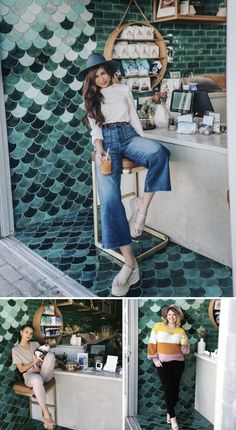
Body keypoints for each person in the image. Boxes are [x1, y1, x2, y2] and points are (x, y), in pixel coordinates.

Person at [78, 53, 171, 296]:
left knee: (159, 153)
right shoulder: (89, 96)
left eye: (104, 73)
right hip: (107, 143)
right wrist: (98, 151)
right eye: (96, 76)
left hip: (129, 136)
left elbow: (132, 118)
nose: (102, 78)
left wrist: (143, 143)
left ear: (110, 72)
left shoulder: (123, 89)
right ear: (91, 78)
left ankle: (142, 207)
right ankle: (130, 263)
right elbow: (95, 129)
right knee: (109, 200)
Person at [147, 305, 190, 430]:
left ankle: (169, 411)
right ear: (166, 316)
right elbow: (152, 342)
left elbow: (185, 351)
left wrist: (185, 342)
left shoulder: (180, 331)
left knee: (175, 389)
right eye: (169, 314)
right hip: (162, 363)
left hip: (178, 363)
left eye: (174, 315)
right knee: (168, 387)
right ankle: (173, 417)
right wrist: (154, 358)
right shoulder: (158, 327)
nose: (171, 316)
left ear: (178, 317)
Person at [12, 324, 56, 430]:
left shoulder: (35, 344)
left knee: (50, 355)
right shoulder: (16, 350)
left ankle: (37, 389)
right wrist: (33, 364)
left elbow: (44, 358)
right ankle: (45, 412)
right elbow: (21, 369)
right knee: (36, 379)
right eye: (26, 332)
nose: (29, 335)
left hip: (43, 373)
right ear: (21, 332)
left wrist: (40, 366)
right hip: (30, 376)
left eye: (31, 333)